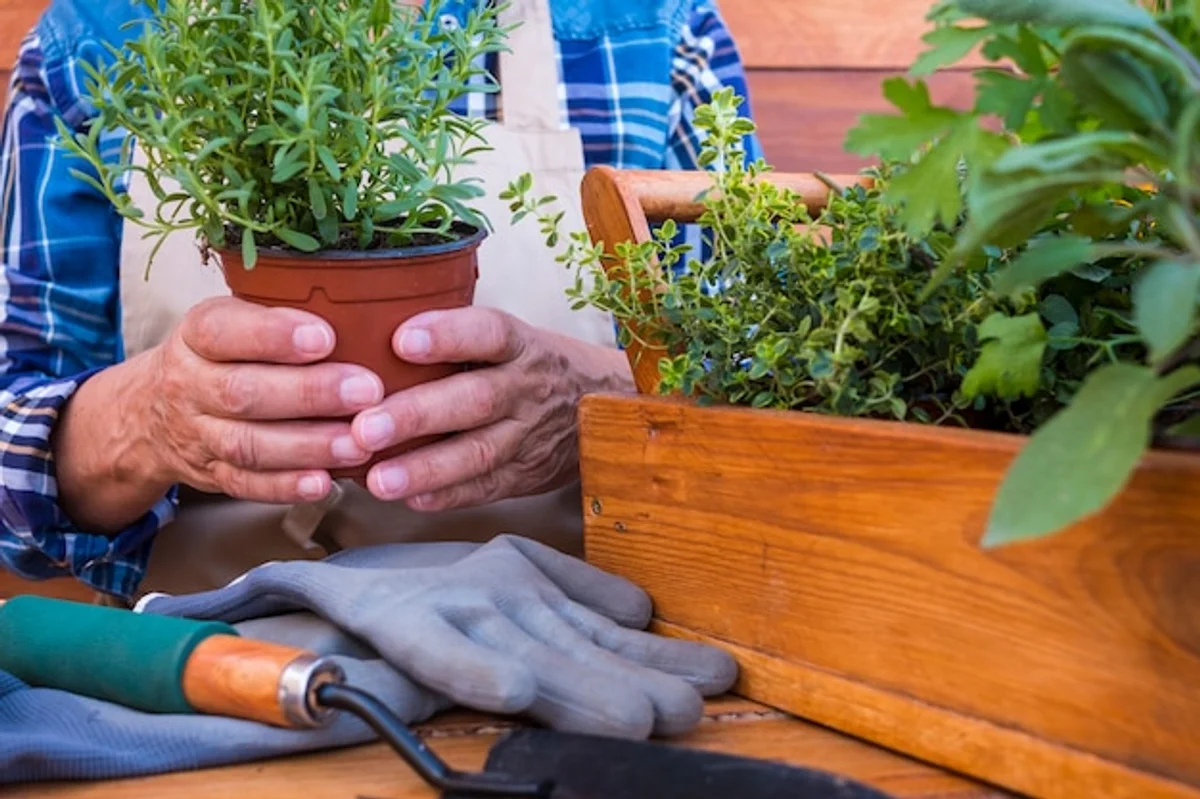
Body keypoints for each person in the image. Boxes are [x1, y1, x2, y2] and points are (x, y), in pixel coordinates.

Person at [0, 0, 764, 604]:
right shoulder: (94, 40)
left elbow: (770, 406)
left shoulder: (646, 28)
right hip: (216, 674)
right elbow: (12, 489)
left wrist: (599, 402)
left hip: (581, 646)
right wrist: (149, 418)